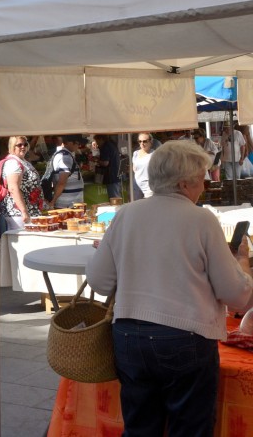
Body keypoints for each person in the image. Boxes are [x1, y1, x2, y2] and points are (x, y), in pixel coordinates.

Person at [87, 141, 253, 436]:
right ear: (184, 181)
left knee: (140, 429)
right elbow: (235, 294)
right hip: (183, 338)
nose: (204, 182)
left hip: (129, 337)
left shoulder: (126, 214)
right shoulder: (201, 219)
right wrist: (242, 265)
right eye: (202, 175)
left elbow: (99, 281)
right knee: (189, 429)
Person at [0, 136, 43, 230]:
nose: (23, 147)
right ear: (12, 147)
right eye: (19, 145)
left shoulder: (22, 161)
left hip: (29, 211)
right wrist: (24, 211)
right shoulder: (12, 163)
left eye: (25, 144)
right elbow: (13, 188)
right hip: (18, 214)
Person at [50, 135, 85, 209]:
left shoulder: (64, 155)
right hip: (68, 205)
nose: (78, 146)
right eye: (77, 143)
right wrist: (53, 201)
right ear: (69, 143)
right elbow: (62, 182)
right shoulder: (65, 157)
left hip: (69, 204)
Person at [94, 134, 122, 200]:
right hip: (116, 174)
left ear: (101, 139)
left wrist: (97, 160)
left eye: (97, 141)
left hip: (111, 176)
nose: (97, 143)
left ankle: (118, 210)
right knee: (117, 196)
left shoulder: (105, 147)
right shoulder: (111, 144)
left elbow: (105, 163)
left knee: (114, 198)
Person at [132, 132, 155, 199]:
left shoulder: (154, 154)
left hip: (149, 187)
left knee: (148, 208)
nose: (142, 143)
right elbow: (134, 168)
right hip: (136, 186)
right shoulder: (135, 153)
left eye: (144, 141)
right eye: (140, 141)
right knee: (137, 207)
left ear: (150, 142)